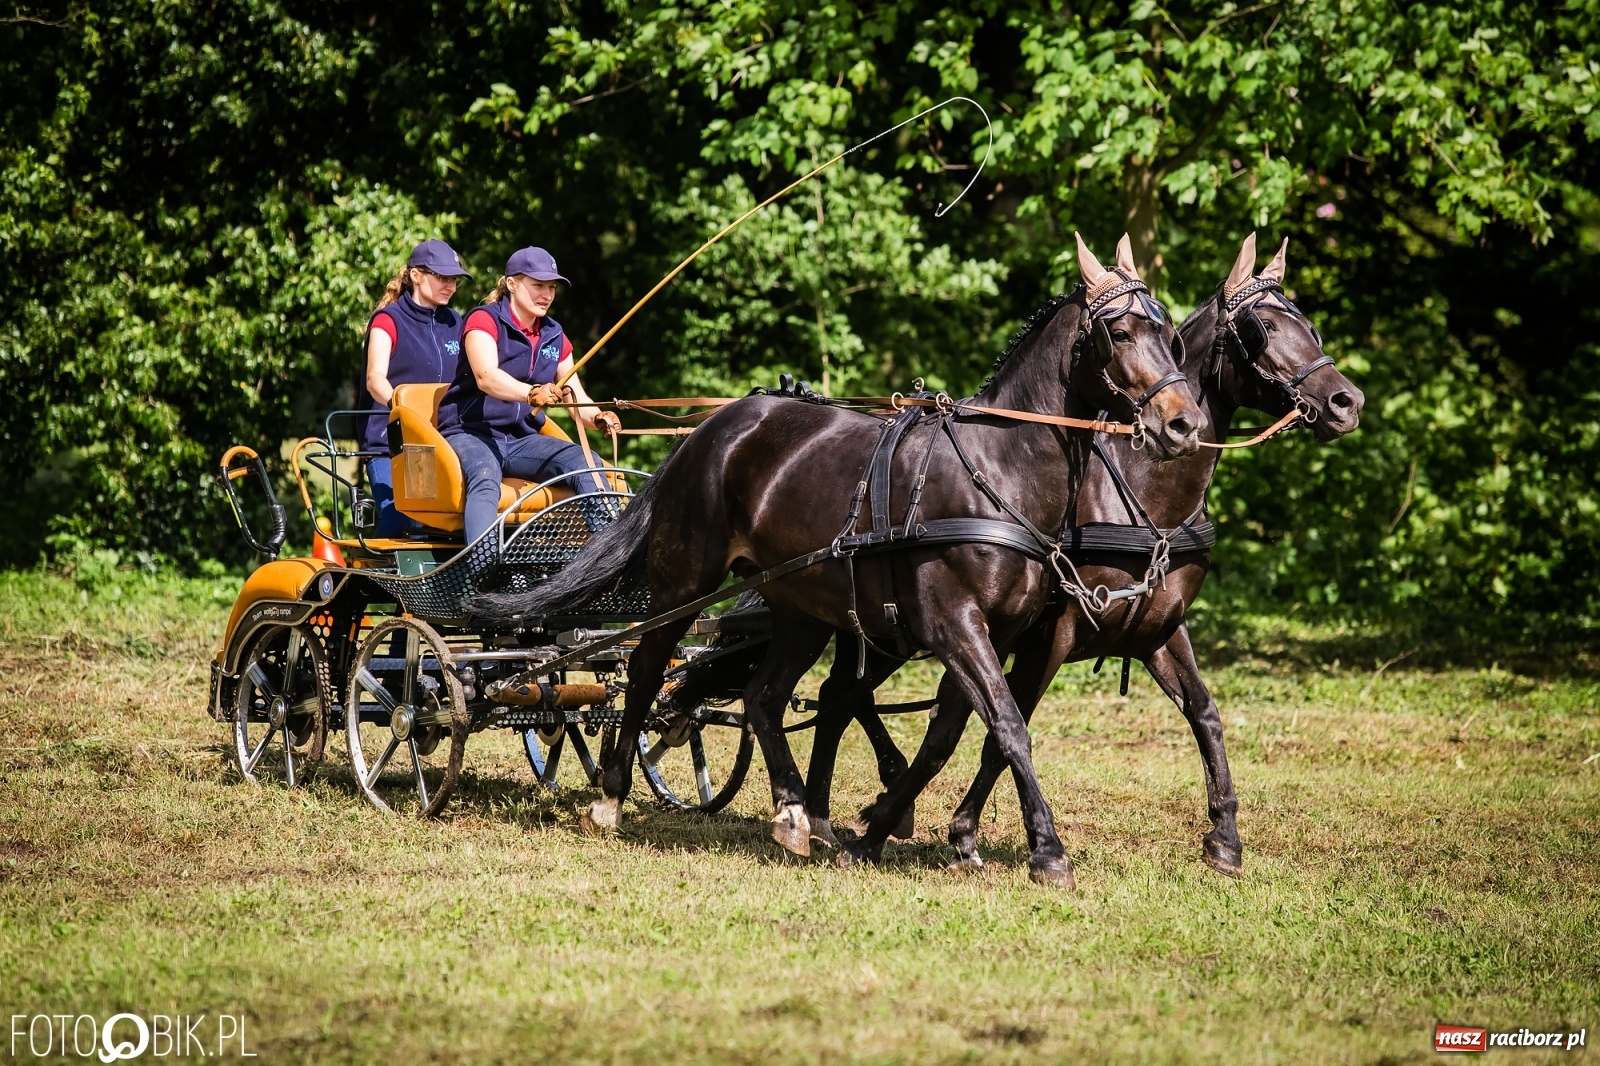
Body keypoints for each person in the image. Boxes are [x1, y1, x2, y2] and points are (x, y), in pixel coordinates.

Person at [437, 247, 620, 544]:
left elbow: (577, 399)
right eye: (538, 285)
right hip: (471, 432)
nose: (546, 294)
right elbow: (486, 378)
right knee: (485, 477)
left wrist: (598, 418)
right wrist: (532, 393)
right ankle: (485, 573)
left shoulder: (555, 334)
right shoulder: (483, 320)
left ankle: (611, 555)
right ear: (511, 283)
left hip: (521, 439)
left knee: (587, 461)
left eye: (551, 287)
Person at [359, 239, 471, 536]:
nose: (451, 286)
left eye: (455, 279)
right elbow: (375, 381)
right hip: (393, 442)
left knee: (452, 523)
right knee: (400, 518)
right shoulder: (387, 320)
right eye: (442, 277)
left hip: (445, 440)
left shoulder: (456, 322)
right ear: (416, 275)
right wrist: (409, 416)